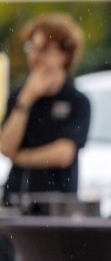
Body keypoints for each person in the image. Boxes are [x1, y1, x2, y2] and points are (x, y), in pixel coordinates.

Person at [1, 12, 90, 211]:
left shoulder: (77, 101)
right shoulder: (18, 95)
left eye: (44, 49)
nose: (35, 56)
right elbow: (6, 146)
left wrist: (21, 157)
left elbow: (63, 154)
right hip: (16, 198)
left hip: (56, 204)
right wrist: (26, 100)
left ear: (64, 55)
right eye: (31, 47)